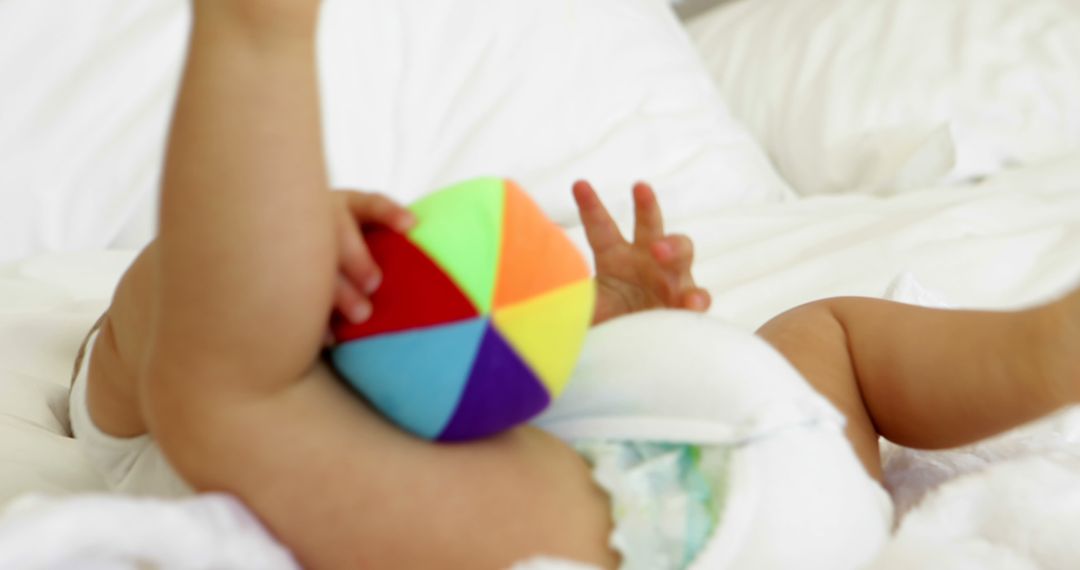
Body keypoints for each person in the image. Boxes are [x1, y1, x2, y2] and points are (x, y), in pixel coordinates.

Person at [71, 1, 1080, 568]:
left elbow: (537, 397)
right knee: (226, 401)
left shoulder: (384, 416)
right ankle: (259, 37)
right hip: (672, 522)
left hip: (752, 460)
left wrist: (616, 332)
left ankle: (1045, 348)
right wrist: (264, 247)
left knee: (831, 336)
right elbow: (201, 347)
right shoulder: (160, 411)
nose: (324, 270)